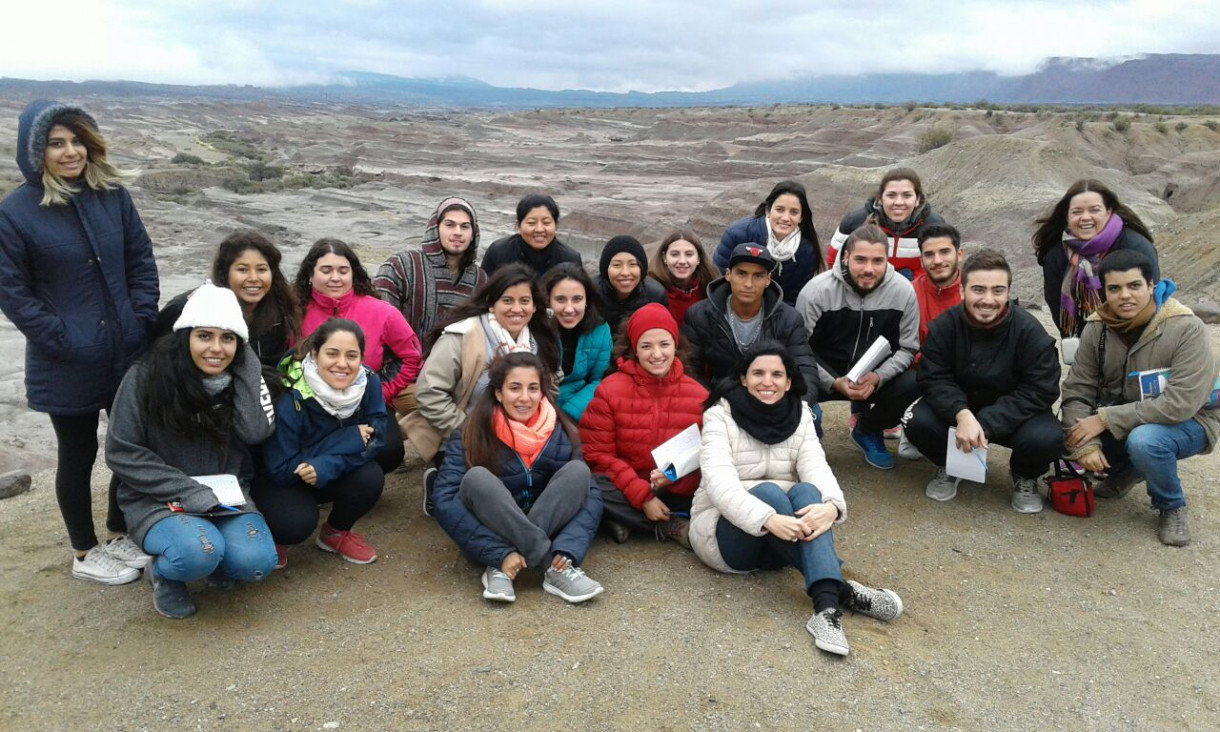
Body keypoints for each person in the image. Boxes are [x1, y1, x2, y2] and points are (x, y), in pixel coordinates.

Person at [0, 100, 160, 584]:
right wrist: (62, 338)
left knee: (127, 445)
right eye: (56, 143)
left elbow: (140, 262)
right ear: (36, 152)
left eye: (77, 141)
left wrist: (140, 320)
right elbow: (13, 292)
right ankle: (85, 552)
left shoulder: (112, 196)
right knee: (77, 455)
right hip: (65, 359)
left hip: (125, 348)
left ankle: (117, 533)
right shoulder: (15, 213)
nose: (70, 152)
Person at [691, 342, 903, 656]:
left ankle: (826, 611)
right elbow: (719, 483)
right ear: (743, 379)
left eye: (777, 374)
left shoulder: (801, 413)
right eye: (758, 373)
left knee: (810, 493)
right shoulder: (719, 415)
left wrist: (831, 506)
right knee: (769, 494)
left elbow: (815, 465)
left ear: (789, 382)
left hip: (782, 537)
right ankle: (840, 591)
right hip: (728, 536)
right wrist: (767, 518)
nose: (767, 381)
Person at [105, 284, 277, 619]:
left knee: (258, 564)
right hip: (158, 497)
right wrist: (188, 492)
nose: (215, 348)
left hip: (224, 495)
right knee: (197, 553)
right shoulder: (144, 378)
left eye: (227, 338)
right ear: (185, 336)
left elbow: (256, 431)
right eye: (204, 336)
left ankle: (210, 560)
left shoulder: (239, 377)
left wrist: (244, 361)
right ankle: (165, 574)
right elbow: (121, 451)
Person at [1061, 251, 1219, 547]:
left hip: (1190, 420)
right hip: (1128, 414)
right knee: (1061, 433)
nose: (1125, 296)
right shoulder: (1097, 328)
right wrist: (1086, 443)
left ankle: (1171, 505)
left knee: (1146, 442)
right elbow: (1077, 390)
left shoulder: (1185, 328)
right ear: (1104, 291)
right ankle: (1128, 470)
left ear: (1151, 285)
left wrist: (1106, 419)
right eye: (1114, 288)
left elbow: (1180, 403)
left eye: (1134, 286)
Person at [433, 352, 605, 604]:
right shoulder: (470, 431)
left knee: (579, 474)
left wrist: (568, 548)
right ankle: (543, 566)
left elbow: (591, 496)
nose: (525, 397)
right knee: (476, 479)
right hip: (492, 530)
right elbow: (445, 498)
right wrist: (497, 552)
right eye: (515, 388)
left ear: (543, 392)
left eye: (533, 388)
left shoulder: (563, 431)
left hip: (549, 525)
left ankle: (517, 565)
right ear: (499, 393)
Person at [904, 250, 1062, 513]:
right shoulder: (944, 326)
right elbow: (933, 377)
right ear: (963, 291)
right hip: (960, 411)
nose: (988, 300)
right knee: (915, 419)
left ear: (1008, 292)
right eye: (978, 290)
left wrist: (987, 422)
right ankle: (951, 465)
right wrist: (961, 413)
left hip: (1012, 415)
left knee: (1048, 437)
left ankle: (1024, 474)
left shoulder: (1029, 331)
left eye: (997, 291)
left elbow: (1041, 389)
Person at [405, 264, 559, 513]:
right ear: (491, 303)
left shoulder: (539, 338)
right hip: (465, 431)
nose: (517, 309)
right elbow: (429, 392)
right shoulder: (462, 336)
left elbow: (552, 386)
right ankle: (439, 478)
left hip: (522, 435)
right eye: (507, 300)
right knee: (475, 499)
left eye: (525, 301)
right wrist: (468, 431)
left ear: (534, 305)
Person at [260, 319, 389, 566]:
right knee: (294, 523)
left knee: (370, 476)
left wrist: (327, 463)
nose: (342, 364)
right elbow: (280, 470)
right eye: (332, 354)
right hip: (284, 477)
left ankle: (335, 533)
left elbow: (377, 436)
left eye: (352, 355)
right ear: (315, 354)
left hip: (321, 468)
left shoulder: (368, 381)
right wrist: (346, 439)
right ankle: (276, 537)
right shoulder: (288, 393)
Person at [579, 304, 707, 545]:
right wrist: (643, 497)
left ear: (675, 346)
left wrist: (674, 478)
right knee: (587, 483)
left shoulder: (698, 395)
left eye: (664, 344)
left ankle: (625, 521)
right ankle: (663, 524)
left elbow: (705, 458)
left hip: (674, 489)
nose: (656, 354)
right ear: (634, 349)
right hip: (624, 485)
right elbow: (598, 455)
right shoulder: (609, 389)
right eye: (646, 346)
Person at [796, 225, 920, 470]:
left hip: (872, 379)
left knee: (915, 382)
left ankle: (867, 428)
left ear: (887, 260)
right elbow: (798, 347)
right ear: (845, 257)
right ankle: (809, 436)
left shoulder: (903, 292)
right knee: (791, 380)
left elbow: (908, 348)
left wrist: (878, 377)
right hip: (824, 375)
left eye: (877, 261)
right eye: (860, 259)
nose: (868, 269)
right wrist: (832, 381)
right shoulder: (816, 291)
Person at [296, 238, 421, 467]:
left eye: (343, 270)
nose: (335, 277)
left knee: (389, 452)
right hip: (308, 407)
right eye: (326, 270)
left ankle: (359, 474)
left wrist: (383, 393)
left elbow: (411, 356)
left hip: (363, 404)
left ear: (353, 274)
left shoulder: (382, 312)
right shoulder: (294, 313)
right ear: (310, 275)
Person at [681, 244, 819, 410]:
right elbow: (689, 369)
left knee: (814, 415)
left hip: (772, 397)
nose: (748, 283)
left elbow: (805, 368)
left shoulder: (788, 318)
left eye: (758, 276)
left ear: (768, 280)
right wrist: (713, 403)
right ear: (728, 275)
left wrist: (791, 406)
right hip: (721, 400)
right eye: (741, 274)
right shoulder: (700, 314)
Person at [1032, 179, 1159, 340]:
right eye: (1077, 212)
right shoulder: (1056, 253)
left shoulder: (1135, 245)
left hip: (1135, 337)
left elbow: (1151, 298)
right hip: (1084, 343)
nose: (1085, 217)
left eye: (1094, 210)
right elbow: (1055, 302)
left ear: (1109, 211)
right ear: (1067, 215)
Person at [156, 230, 300, 371]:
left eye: (261, 270)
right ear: (224, 274)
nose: (254, 278)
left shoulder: (280, 310)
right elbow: (154, 359)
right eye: (242, 270)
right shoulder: (188, 308)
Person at [373, 196, 487, 338]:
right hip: (401, 359)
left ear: (473, 233)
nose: (458, 232)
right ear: (435, 228)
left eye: (465, 226)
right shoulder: (401, 266)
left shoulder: (481, 281)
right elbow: (378, 320)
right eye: (450, 225)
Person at [825, 168, 946, 280]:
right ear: (881, 198)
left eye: (907, 195)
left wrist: (905, 283)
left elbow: (942, 266)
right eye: (891, 195)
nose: (898, 202)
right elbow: (834, 262)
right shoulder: (854, 223)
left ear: (917, 200)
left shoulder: (934, 226)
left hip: (914, 293)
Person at [714, 180, 822, 306]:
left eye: (794, 212)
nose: (786, 218)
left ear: (801, 217)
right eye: (780, 210)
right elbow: (719, 282)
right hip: (732, 308)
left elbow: (794, 298)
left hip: (776, 317)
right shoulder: (738, 234)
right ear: (768, 210)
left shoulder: (807, 251)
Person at [543, 263, 612, 422]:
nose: (569, 309)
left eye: (577, 299)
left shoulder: (599, 329)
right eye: (560, 299)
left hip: (578, 409)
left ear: (587, 300)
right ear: (547, 300)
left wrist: (569, 413)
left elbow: (601, 379)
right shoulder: (536, 327)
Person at [480, 193, 582, 278]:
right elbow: (482, 294)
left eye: (546, 223)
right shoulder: (498, 252)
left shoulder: (570, 258)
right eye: (531, 223)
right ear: (518, 226)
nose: (539, 229)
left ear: (556, 225)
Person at [594, 234, 668, 334]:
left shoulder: (655, 295)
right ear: (605, 269)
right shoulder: (591, 291)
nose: (625, 272)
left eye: (632, 264)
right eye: (617, 265)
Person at [648, 229, 718, 327]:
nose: (682, 261)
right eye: (674, 254)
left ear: (698, 258)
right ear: (664, 257)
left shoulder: (712, 288)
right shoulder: (650, 290)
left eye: (689, 254)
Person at [912, 224, 964, 345]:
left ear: (959, 254)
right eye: (929, 255)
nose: (937, 261)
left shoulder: (977, 292)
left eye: (945, 252)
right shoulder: (909, 294)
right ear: (921, 260)